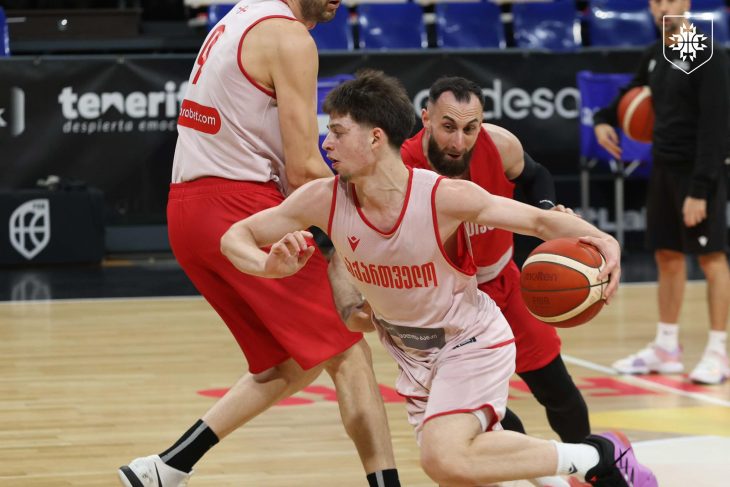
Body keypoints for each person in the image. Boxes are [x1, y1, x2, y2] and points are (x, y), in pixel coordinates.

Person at [221, 70, 657, 487]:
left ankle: (600, 456)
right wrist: (266, 266)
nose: (326, 143)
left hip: (470, 340)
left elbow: (540, 222)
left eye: (337, 132)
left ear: (375, 138)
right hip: (413, 356)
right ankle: (584, 469)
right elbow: (235, 237)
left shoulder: (441, 195)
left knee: (444, 456)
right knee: (461, 471)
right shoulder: (322, 199)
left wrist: (604, 240)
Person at [117, 2, 400, 486]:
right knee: (349, 353)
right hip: (238, 205)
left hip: (188, 212)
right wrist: (376, 216)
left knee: (287, 363)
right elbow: (304, 170)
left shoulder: (239, 15)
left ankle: (165, 468)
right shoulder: (290, 37)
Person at [400, 76, 590, 487]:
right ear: (426, 118)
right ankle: (543, 475)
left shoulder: (499, 144)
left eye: (470, 128)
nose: (459, 141)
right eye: (448, 126)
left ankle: (597, 471)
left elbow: (537, 177)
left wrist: (548, 209)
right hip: (449, 304)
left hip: (503, 281)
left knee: (556, 388)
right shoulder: (402, 166)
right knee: (484, 413)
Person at [594, 0, 730, 385]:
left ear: (685, 3)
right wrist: (603, 119)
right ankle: (667, 347)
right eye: (655, 1)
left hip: (700, 171)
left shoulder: (707, 53)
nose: (660, 7)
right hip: (663, 168)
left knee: (712, 258)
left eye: (668, 0)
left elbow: (717, 127)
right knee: (667, 255)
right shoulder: (656, 52)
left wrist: (700, 189)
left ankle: (718, 352)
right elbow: (630, 94)